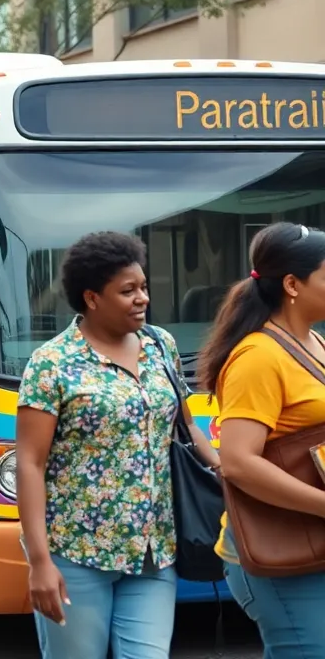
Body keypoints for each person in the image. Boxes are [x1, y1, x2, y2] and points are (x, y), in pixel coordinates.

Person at [15, 232, 218, 659]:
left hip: (154, 549)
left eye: (143, 287)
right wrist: (39, 562)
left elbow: (186, 427)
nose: (142, 298)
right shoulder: (52, 363)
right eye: (127, 291)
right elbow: (30, 464)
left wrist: (230, 473)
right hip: (75, 552)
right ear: (91, 297)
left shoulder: (161, 345)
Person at [199, 222, 325, 654]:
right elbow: (237, 461)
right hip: (278, 552)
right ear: (293, 283)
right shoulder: (258, 356)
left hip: (310, 537)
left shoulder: (313, 342)